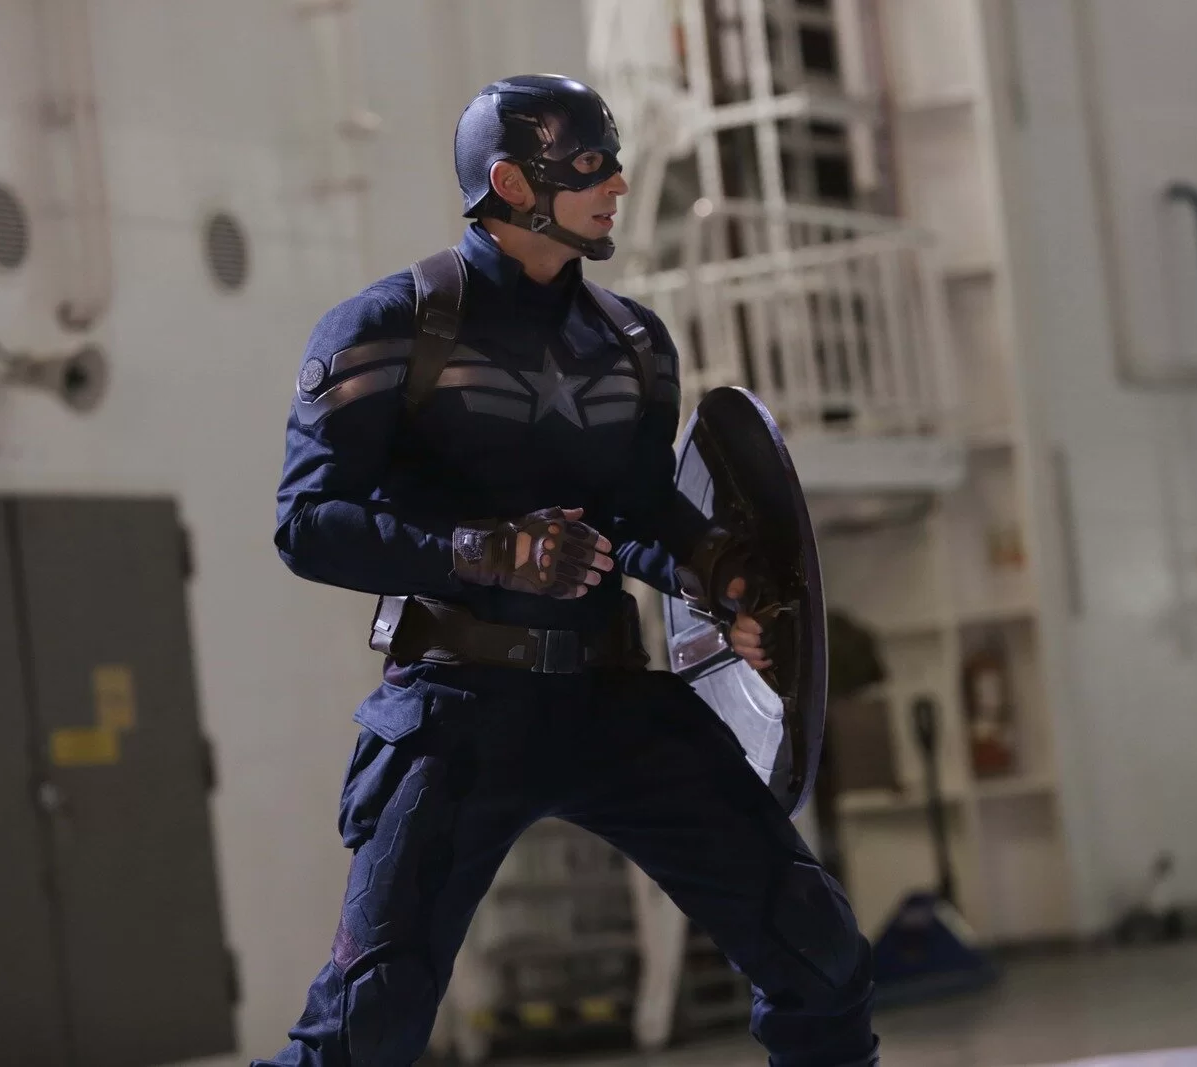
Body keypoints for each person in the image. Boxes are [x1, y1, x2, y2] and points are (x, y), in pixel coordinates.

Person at [259, 74, 879, 1067]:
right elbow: (308, 525)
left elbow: (637, 513)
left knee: (821, 953)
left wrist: (716, 575)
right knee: (366, 1027)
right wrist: (484, 549)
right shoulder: (383, 329)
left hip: (612, 697)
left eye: (612, 161)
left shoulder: (634, 344)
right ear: (510, 182)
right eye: (589, 164)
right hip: (457, 704)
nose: (617, 184)